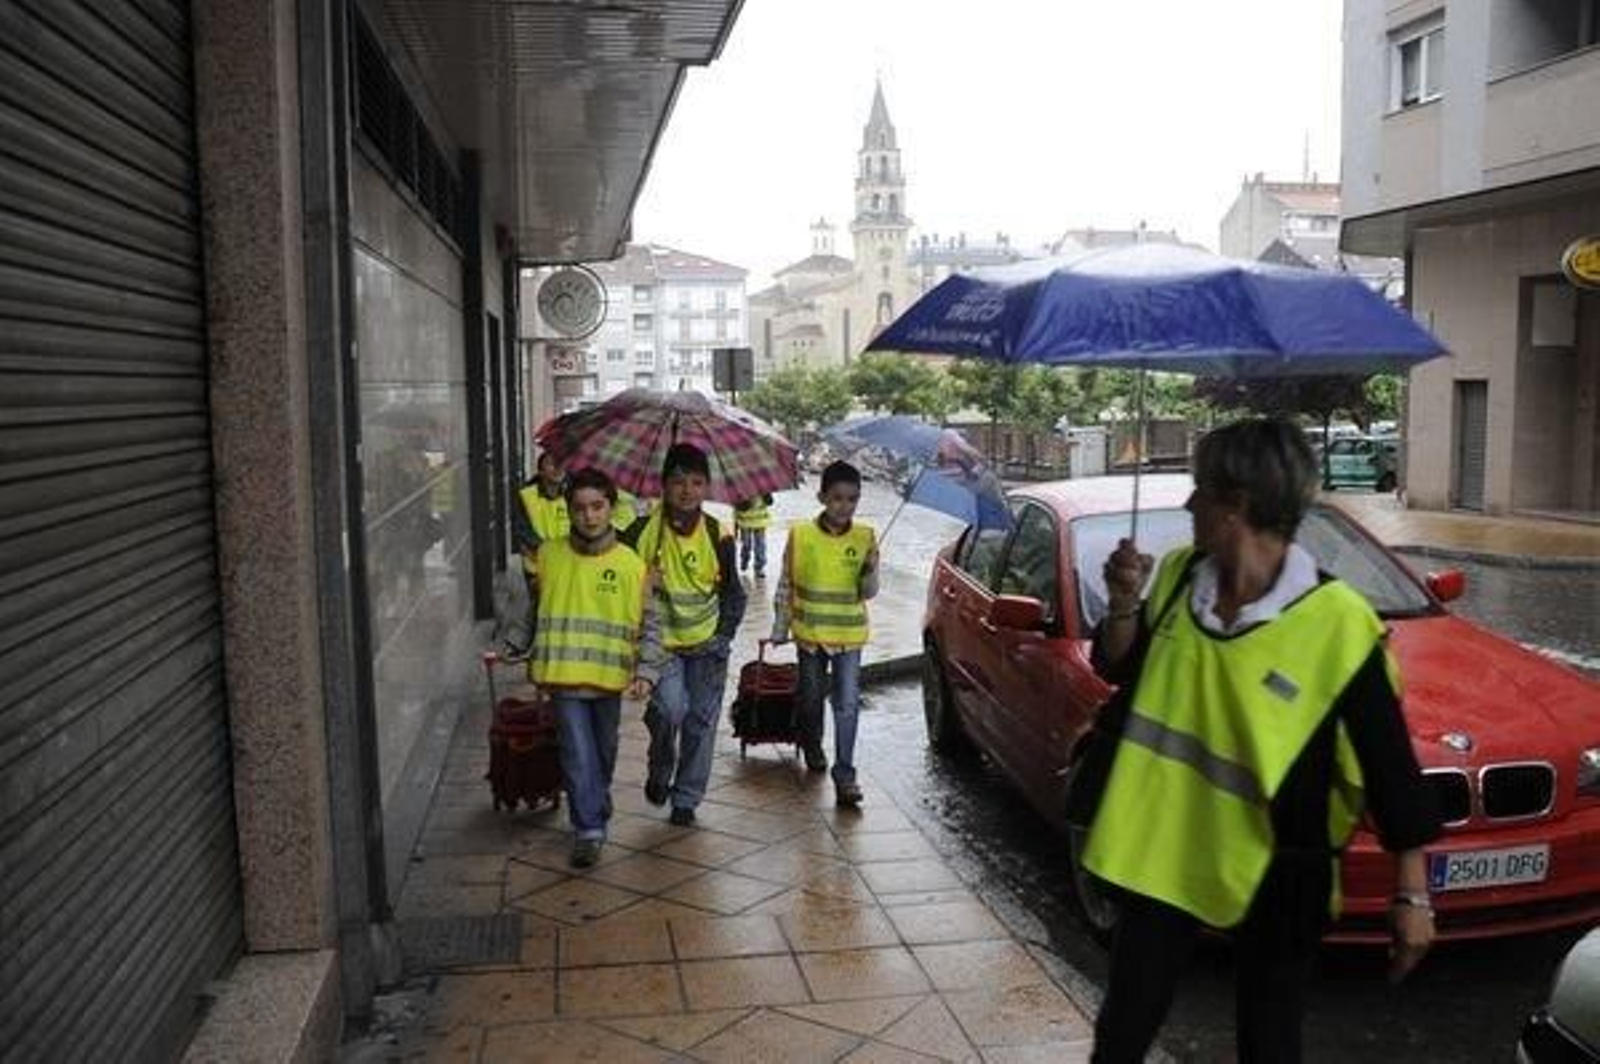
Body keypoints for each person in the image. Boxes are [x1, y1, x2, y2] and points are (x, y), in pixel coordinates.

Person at [1084, 418, 1441, 1064]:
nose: (1189, 504)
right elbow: (1117, 668)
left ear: (1237, 505)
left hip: (1281, 861)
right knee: (1123, 1030)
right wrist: (1121, 604)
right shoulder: (1174, 577)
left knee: (1269, 1040)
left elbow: (1390, 762)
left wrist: (1412, 894)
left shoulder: (1337, 622)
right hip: (1165, 843)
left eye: (1201, 491)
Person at [528, 466, 661, 868]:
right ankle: (587, 828)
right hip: (562, 677)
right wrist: (515, 645)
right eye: (580, 508)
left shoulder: (632, 564)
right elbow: (532, 610)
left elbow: (651, 623)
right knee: (576, 752)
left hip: (609, 681)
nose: (589, 516)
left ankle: (595, 799)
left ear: (611, 508)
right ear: (568, 510)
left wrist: (647, 672)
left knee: (603, 750)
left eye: (597, 507)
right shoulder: (548, 554)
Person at [634, 443, 746, 827]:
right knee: (669, 709)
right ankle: (660, 765)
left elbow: (734, 593)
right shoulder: (645, 530)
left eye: (697, 482)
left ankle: (686, 798)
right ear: (663, 485)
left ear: (707, 487)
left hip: (707, 647)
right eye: (678, 481)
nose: (687, 490)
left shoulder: (718, 534)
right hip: (660, 646)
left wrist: (724, 637)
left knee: (700, 720)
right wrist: (643, 581)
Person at [770, 460, 878, 807]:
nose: (844, 506)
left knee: (847, 704)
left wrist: (869, 571)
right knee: (811, 697)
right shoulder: (801, 534)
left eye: (852, 499)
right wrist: (779, 627)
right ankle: (812, 742)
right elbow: (786, 582)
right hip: (810, 635)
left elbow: (869, 592)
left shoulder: (866, 537)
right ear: (822, 496)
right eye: (837, 498)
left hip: (849, 637)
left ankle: (845, 774)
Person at [733, 493, 774, 578]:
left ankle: (759, 567)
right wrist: (746, 502)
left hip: (760, 521)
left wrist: (766, 496)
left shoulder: (763, 488)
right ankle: (744, 559)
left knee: (760, 545)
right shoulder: (741, 489)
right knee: (746, 544)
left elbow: (770, 502)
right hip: (745, 522)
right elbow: (737, 507)